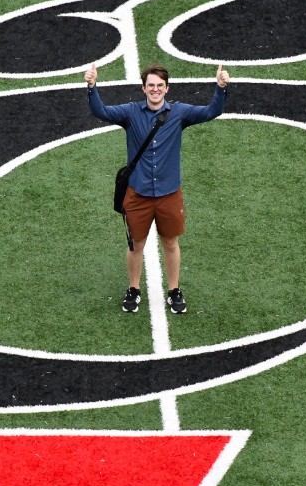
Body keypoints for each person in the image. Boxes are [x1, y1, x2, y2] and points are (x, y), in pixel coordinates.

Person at [86, 62, 230, 314]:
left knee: (171, 243)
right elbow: (101, 111)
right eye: (150, 85)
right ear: (143, 88)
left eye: (159, 86)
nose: (155, 89)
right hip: (138, 194)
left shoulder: (180, 113)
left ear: (167, 88)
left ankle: (174, 290)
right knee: (136, 245)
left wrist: (220, 87)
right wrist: (91, 87)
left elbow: (211, 112)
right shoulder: (131, 113)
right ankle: (134, 288)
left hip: (169, 194)